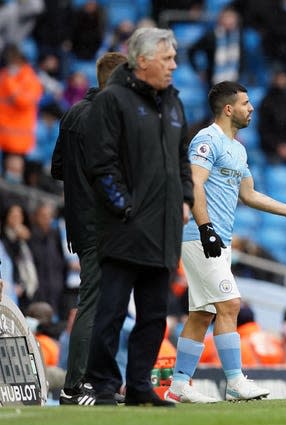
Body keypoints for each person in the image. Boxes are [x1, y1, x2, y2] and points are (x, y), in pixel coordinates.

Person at [165, 81, 286, 404]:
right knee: (231, 305)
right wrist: (205, 227)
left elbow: (249, 195)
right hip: (200, 236)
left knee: (202, 313)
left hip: (218, 239)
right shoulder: (207, 140)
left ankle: (179, 384)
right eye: (245, 103)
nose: (251, 108)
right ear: (228, 109)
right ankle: (235, 381)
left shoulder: (237, 148)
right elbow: (194, 183)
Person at [83, 27, 194, 407]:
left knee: (153, 316)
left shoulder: (175, 103)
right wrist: (124, 208)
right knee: (112, 312)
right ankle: (100, 384)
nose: (174, 66)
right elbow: (102, 164)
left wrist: (186, 198)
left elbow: (183, 159)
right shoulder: (112, 100)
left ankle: (139, 387)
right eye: (167, 59)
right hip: (125, 228)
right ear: (143, 60)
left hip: (164, 230)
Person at [51, 51, 127, 405]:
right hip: (104, 224)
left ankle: (99, 381)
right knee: (95, 302)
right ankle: (75, 386)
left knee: (100, 302)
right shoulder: (111, 117)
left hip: (81, 225)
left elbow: (57, 169)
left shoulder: (72, 115)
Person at [0, 44, 43, 156]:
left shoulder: (30, 79)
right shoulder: (4, 75)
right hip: (3, 136)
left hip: (19, 138)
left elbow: (24, 102)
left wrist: (10, 81)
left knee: (15, 168)